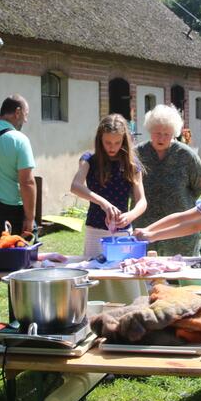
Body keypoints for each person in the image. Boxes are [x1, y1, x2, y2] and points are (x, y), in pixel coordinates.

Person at [71, 114, 148, 303]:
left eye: (117, 142)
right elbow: (76, 186)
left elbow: (142, 202)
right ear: (100, 140)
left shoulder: (132, 165)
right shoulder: (89, 160)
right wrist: (103, 203)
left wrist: (130, 216)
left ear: (124, 141)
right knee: (95, 284)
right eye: (107, 142)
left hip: (122, 236)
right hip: (95, 231)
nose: (112, 147)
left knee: (125, 286)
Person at [136, 104, 201, 256]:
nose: (161, 138)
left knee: (185, 275)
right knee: (146, 273)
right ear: (150, 130)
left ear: (174, 133)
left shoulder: (186, 155)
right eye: (157, 133)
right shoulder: (138, 154)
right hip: (145, 227)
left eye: (166, 134)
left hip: (180, 231)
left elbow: (200, 185)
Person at [0, 95, 36, 237]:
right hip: (12, 211)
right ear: (17, 112)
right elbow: (27, 182)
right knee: (17, 256)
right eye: (25, 114)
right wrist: (30, 218)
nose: (26, 120)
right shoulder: (20, 140)